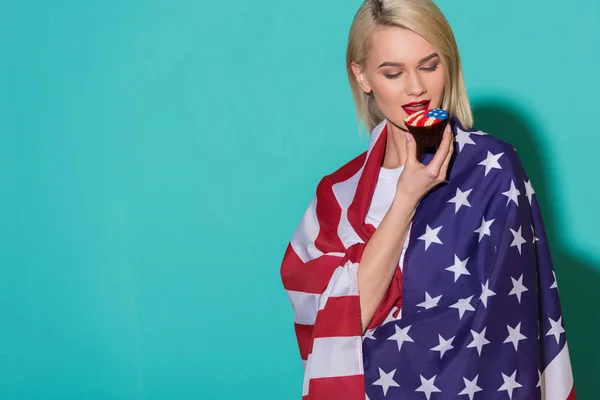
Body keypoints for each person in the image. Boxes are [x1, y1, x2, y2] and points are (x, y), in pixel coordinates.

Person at [279, 0, 576, 399]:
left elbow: (501, 334)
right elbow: (336, 327)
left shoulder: (492, 169)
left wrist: (376, 346)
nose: (415, 88)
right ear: (362, 75)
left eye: (429, 66)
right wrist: (406, 198)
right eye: (393, 72)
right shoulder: (339, 193)